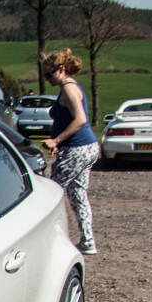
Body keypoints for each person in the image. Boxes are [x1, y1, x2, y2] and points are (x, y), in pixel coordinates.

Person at [40, 48, 99, 254]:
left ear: (62, 69)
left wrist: (56, 140)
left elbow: (81, 119)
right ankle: (87, 241)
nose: (46, 79)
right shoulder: (68, 87)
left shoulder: (69, 89)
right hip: (85, 148)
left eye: (49, 74)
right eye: (44, 75)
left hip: (77, 149)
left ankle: (48, 242)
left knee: (52, 193)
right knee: (77, 193)